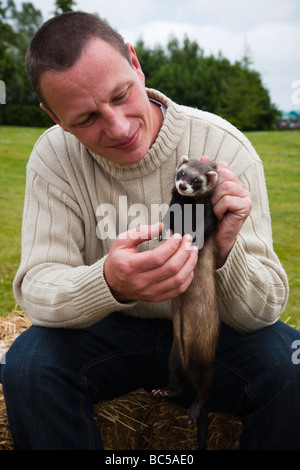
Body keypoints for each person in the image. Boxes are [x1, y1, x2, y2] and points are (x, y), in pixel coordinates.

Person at [1, 11, 299, 450]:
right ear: (55, 117)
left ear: (135, 63)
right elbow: (38, 290)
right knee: (27, 366)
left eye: (121, 95)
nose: (119, 127)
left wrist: (225, 249)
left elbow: (263, 312)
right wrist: (107, 281)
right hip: (106, 329)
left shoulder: (223, 147)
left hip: (211, 331)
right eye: (85, 119)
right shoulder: (54, 158)